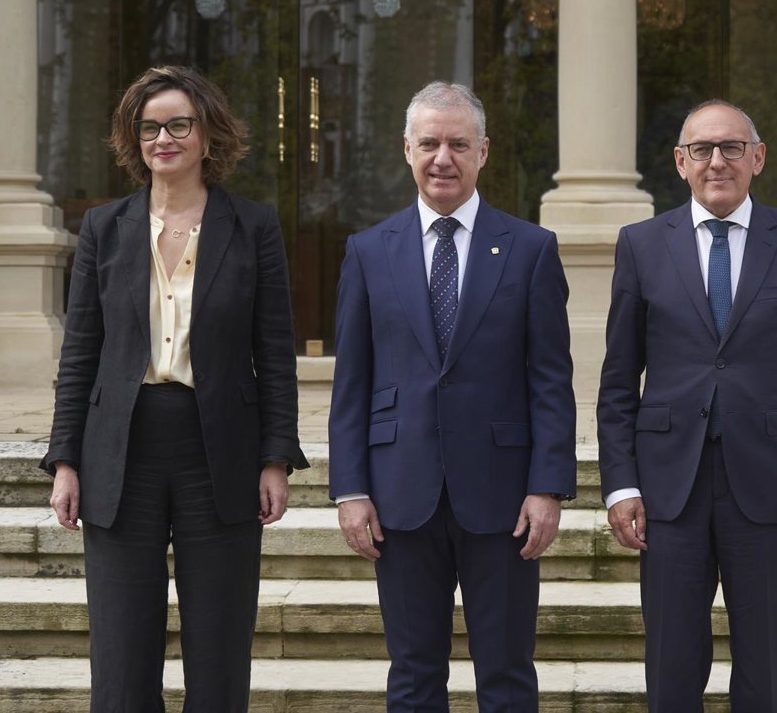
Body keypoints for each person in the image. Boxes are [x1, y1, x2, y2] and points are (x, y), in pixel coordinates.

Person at [42, 65, 308, 712]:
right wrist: (65, 459)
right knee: (121, 655)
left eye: (179, 125)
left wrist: (275, 457)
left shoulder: (253, 227)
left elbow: (275, 353)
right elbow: (81, 353)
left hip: (219, 450)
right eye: (149, 127)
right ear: (134, 140)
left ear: (208, 133)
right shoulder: (104, 228)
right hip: (120, 451)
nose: (163, 138)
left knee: (218, 647)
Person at [328, 81, 576, 712]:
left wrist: (548, 487)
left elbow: (551, 379)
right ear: (406, 150)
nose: (443, 158)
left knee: (508, 674)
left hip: (503, 497)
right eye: (430, 143)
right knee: (413, 676)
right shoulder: (367, 251)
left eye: (459, 144)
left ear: (483, 152)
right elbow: (351, 383)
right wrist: (350, 489)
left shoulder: (531, 249)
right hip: (399, 494)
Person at [597, 99, 777, 712]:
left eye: (732, 148)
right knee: (672, 664)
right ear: (680, 162)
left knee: (761, 666)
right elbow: (618, 381)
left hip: (768, 487)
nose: (717, 161)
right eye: (702, 149)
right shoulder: (641, 245)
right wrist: (621, 485)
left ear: (757, 158)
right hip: (668, 489)